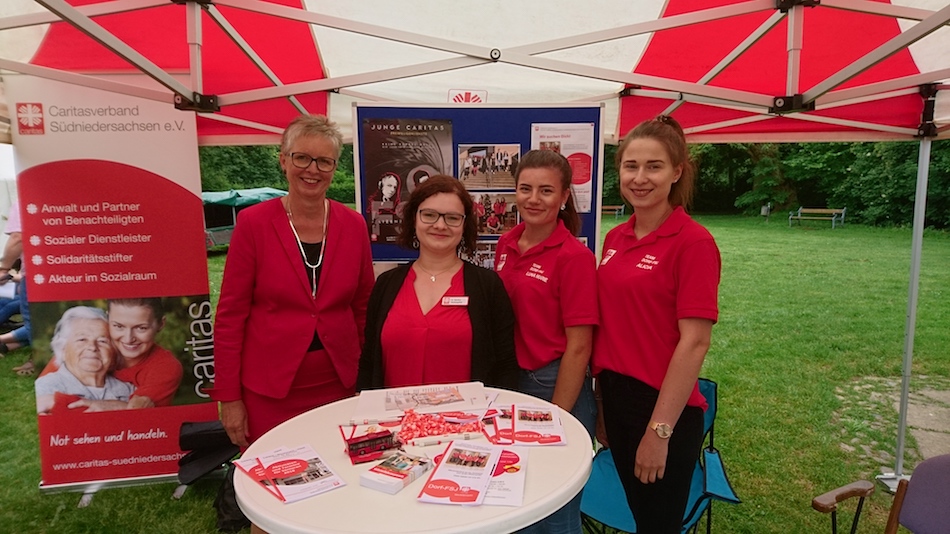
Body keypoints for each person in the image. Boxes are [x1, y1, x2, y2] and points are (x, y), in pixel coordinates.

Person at [212, 114, 375, 447]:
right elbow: (230, 318)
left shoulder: (354, 225)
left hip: (339, 382)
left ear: (335, 168)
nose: (312, 170)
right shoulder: (253, 223)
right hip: (270, 388)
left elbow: (363, 309)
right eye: (302, 157)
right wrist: (229, 398)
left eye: (324, 162)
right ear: (283, 160)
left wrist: (367, 379)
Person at [593, 115, 721, 533]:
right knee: (639, 517)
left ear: (677, 171)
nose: (640, 178)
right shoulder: (615, 238)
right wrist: (601, 404)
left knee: (657, 527)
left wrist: (659, 432)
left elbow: (695, 343)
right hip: (616, 397)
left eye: (654, 166)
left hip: (662, 407)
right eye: (631, 166)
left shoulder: (693, 242)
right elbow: (610, 327)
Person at [493, 149, 598, 534]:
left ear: (565, 196)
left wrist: (558, 416)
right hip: (510, 385)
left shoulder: (574, 257)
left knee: (555, 513)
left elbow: (580, 346)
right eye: (525, 189)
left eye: (546, 191)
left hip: (553, 384)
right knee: (516, 500)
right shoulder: (507, 243)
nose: (533, 199)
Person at [357, 175, 518, 391]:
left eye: (452, 218)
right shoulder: (386, 285)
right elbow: (368, 361)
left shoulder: (487, 286)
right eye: (429, 215)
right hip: (396, 421)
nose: (440, 225)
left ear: (464, 225)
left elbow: (505, 366)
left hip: (467, 421)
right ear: (414, 219)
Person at [35, 306, 133, 414]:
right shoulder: (46, 387)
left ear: (113, 351)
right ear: (63, 349)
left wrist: (118, 406)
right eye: (82, 339)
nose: (92, 347)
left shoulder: (128, 390)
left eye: (102, 341)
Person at [109, 298, 183, 408]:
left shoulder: (166, 367)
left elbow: (136, 413)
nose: (128, 339)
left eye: (141, 328)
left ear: (160, 324)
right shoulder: (93, 351)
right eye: (119, 326)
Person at [0, 200, 33, 375]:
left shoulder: (25, 199)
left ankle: (38, 360)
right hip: (70, 273)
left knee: (34, 324)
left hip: (36, 273)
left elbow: (18, 237)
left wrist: (4, 267)